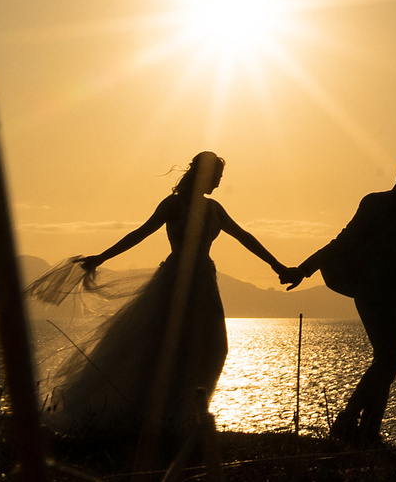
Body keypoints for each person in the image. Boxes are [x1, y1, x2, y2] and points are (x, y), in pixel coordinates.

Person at [26, 151, 300, 442]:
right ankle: (155, 418)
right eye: (217, 178)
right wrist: (102, 257)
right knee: (157, 347)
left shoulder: (215, 208)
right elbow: (140, 233)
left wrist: (278, 266)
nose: (218, 184)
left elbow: (244, 236)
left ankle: (185, 414)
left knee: (214, 347)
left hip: (204, 282)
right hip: (174, 282)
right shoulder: (173, 204)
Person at [289, 154, 396, 447]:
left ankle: (369, 432)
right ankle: (347, 421)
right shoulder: (376, 204)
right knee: (392, 357)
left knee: (388, 362)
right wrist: (304, 269)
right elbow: (344, 241)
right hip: (373, 292)